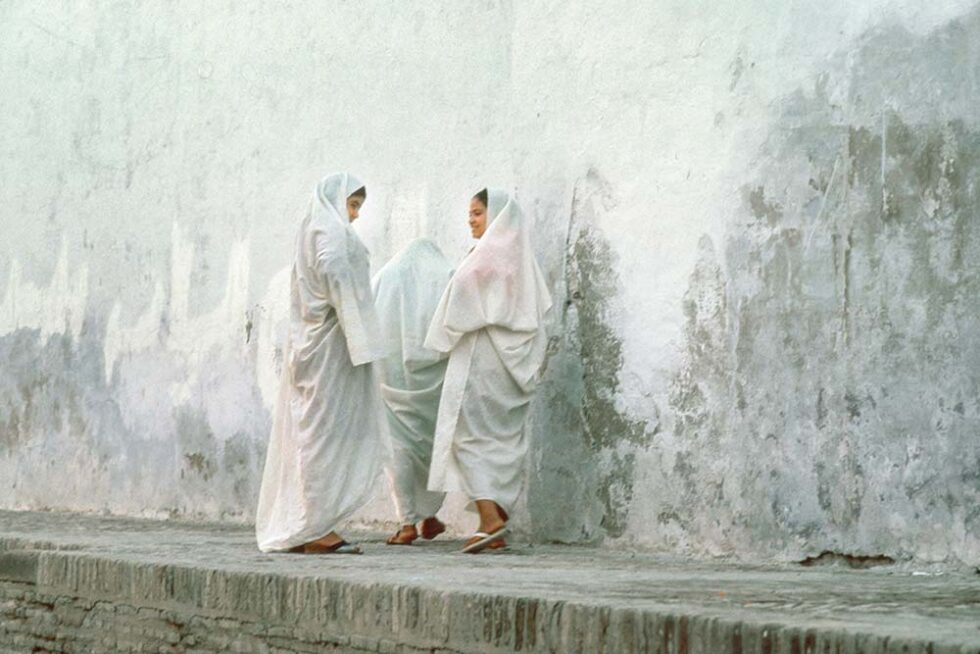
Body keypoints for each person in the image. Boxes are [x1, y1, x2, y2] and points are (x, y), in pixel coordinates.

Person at [255, 172, 384, 554]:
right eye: (353, 205)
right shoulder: (328, 231)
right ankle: (316, 527)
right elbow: (333, 269)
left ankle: (308, 522)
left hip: (316, 346)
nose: (356, 215)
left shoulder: (314, 227)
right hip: (327, 349)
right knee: (321, 435)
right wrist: (359, 335)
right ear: (335, 200)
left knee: (315, 432)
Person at [424, 188, 552, 553]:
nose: (471, 219)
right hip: (508, 367)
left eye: (478, 212)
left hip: (483, 361)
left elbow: (460, 299)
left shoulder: (487, 256)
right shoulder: (522, 261)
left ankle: (490, 519)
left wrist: (442, 334)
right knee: (498, 438)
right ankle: (495, 517)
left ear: (495, 216)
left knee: (469, 436)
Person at [372, 238, 454, 545]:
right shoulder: (446, 275)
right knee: (431, 446)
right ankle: (429, 516)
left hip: (391, 377)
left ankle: (409, 522)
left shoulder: (385, 278)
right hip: (434, 377)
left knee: (399, 449)